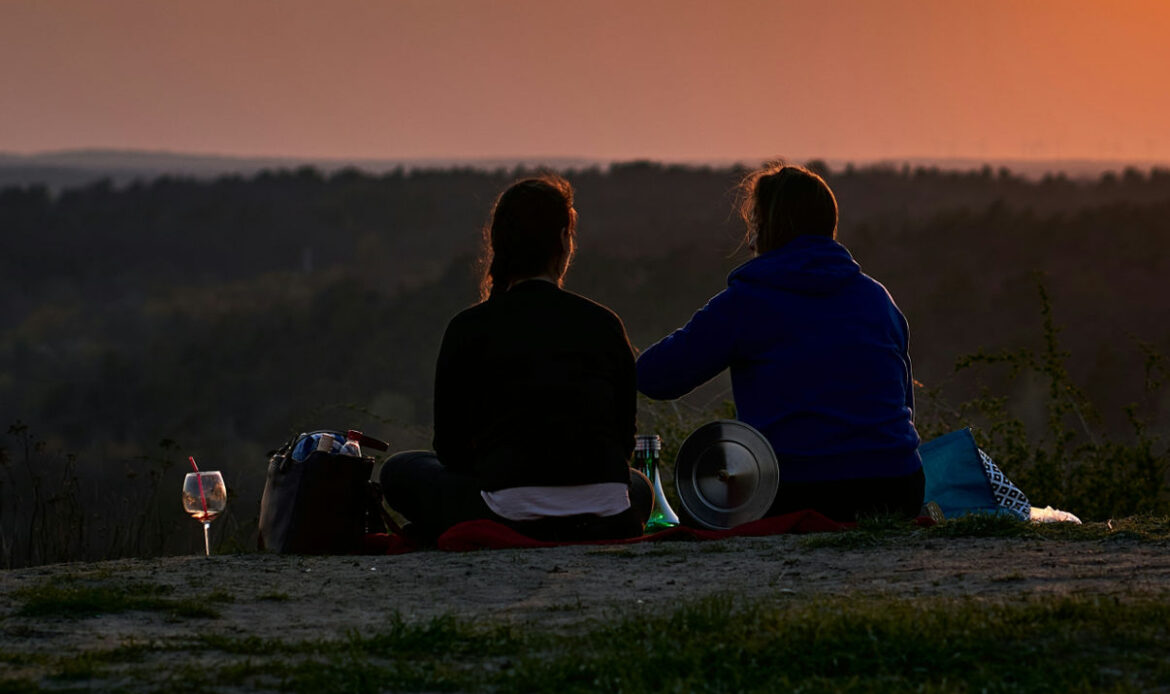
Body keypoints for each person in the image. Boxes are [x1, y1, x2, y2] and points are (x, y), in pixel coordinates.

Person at [636, 163, 923, 522]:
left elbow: (656, 378)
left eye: (751, 225)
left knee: (701, 498)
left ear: (762, 230)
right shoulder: (878, 299)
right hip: (896, 488)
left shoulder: (747, 302)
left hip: (793, 492)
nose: (750, 239)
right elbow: (904, 404)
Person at [381, 175, 651, 542]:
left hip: (506, 512)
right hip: (606, 512)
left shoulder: (468, 327)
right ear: (562, 240)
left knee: (399, 471)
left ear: (499, 245)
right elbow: (623, 442)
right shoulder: (604, 323)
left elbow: (449, 449)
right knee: (637, 487)